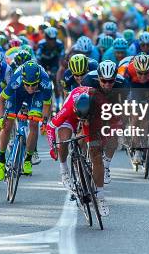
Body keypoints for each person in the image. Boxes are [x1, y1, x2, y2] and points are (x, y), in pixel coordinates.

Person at [46, 89, 112, 217]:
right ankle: (64, 170)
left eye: (85, 119)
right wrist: (52, 147)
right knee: (64, 139)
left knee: (96, 156)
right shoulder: (68, 108)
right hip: (71, 117)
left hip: (92, 116)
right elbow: (50, 127)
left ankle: (100, 197)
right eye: (82, 119)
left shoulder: (101, 106)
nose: (83, 121)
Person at [0, 61, 52, 179]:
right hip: (17, 94)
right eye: (28, 85)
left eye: (34, 85)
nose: (30, 88)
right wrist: (1, 118)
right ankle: (1, 161)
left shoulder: (45, 83)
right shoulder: (16, 80)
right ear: (23, 80)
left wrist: (45, 122)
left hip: (37, 96)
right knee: (6, 125)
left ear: (38, 80)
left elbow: (47, 105)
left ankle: (28, 159)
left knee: (34, 124)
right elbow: (0, 100)